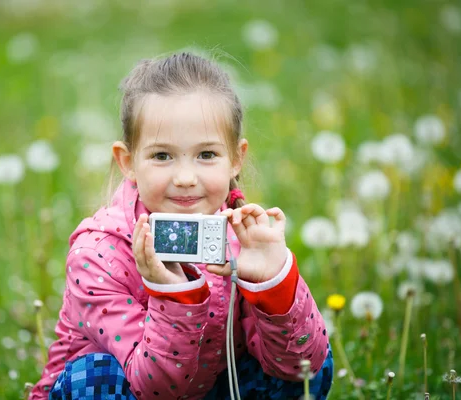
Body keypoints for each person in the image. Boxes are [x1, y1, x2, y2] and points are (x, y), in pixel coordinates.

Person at [30, 51, 333, 400]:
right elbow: (154, 388)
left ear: (236, 158)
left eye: (206, 155)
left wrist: (273, 284)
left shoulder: (244, 238)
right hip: (132, 389)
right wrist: (174, 296)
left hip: (212, 387)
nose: (186, 178)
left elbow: (302, 368)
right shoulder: (99, 254)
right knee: (95, 377)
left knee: (313, 358)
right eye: (162, 156)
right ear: (128, 162)